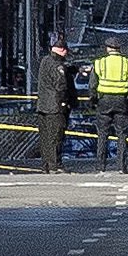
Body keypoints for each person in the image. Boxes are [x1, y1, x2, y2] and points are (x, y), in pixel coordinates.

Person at [90, 37, 128, 172]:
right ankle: (122, 166)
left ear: (107, 48)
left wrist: (93, 100)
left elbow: (92, 85)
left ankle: (101, 166)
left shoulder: (100, 63)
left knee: (102, 134)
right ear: (119, 49)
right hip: (122, 101)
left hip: (104, 101)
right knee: (122, 134)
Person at [32, 38, 76, 173]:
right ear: (63, 51)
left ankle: (46, 164)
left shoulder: (45, 61)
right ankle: (55, 164)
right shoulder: (58, 65)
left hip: (43, 105)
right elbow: (60, 85)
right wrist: (65, 103)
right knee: (56, 136)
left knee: (45, 137)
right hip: (55, 107)